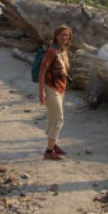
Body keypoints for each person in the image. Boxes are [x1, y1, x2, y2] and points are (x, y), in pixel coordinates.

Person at [38, 25, 73, 161]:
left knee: (53, 118)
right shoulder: (52, 51)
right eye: (62, 34)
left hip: (60, 88)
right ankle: (48, 151)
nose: (64, 37)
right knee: (59, 119)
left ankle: (53, 143)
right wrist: (41, 91)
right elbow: (42, 70)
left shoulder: (63, 51)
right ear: (56, 36)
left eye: (67, 35)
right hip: (50, 88)